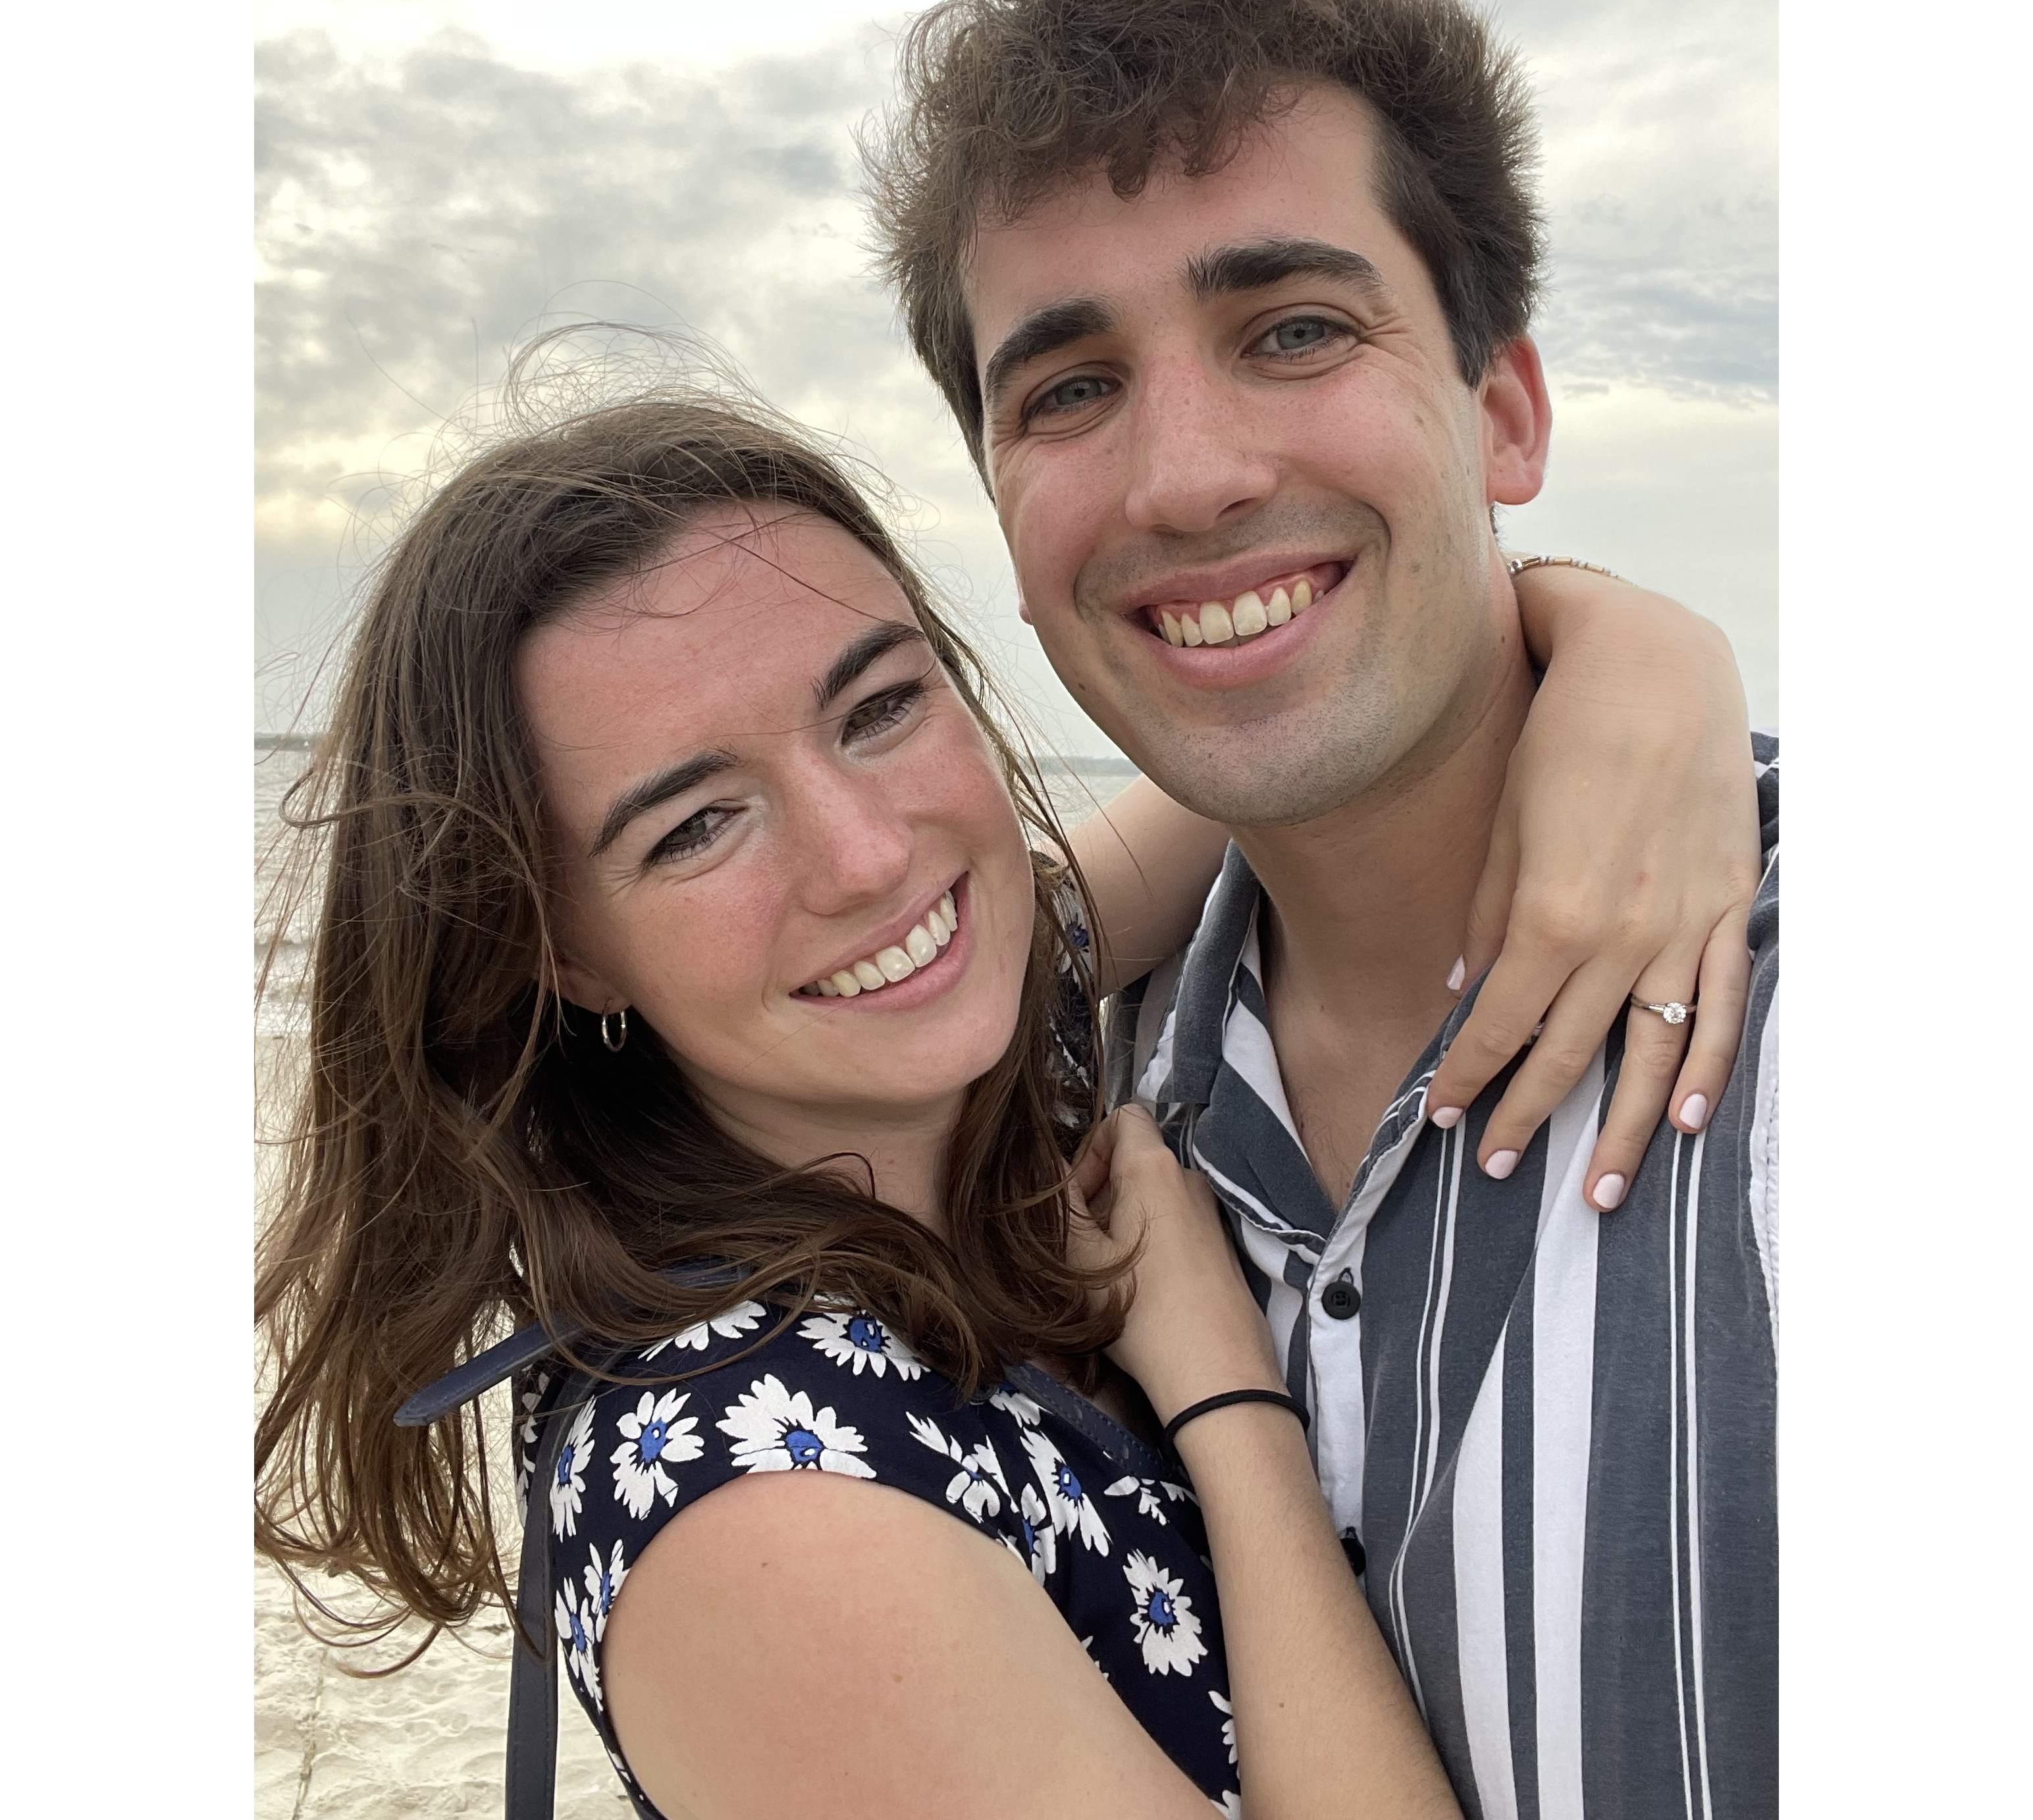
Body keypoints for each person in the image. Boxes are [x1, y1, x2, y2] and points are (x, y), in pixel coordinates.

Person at [255, 362, 1760, 1819]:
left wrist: (1629, 651)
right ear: (561, 949)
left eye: (880, 707)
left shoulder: (953, 1060)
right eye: (698, 824)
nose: (865, 857)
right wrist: (1225, 1396)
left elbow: (1300, 726)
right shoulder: (765, 1504)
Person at [862, 0, 1778, 1818]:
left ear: (1504, 412)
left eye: (1290, 328)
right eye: (1073, 386)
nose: (1189, 475)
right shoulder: (1034, 1107)